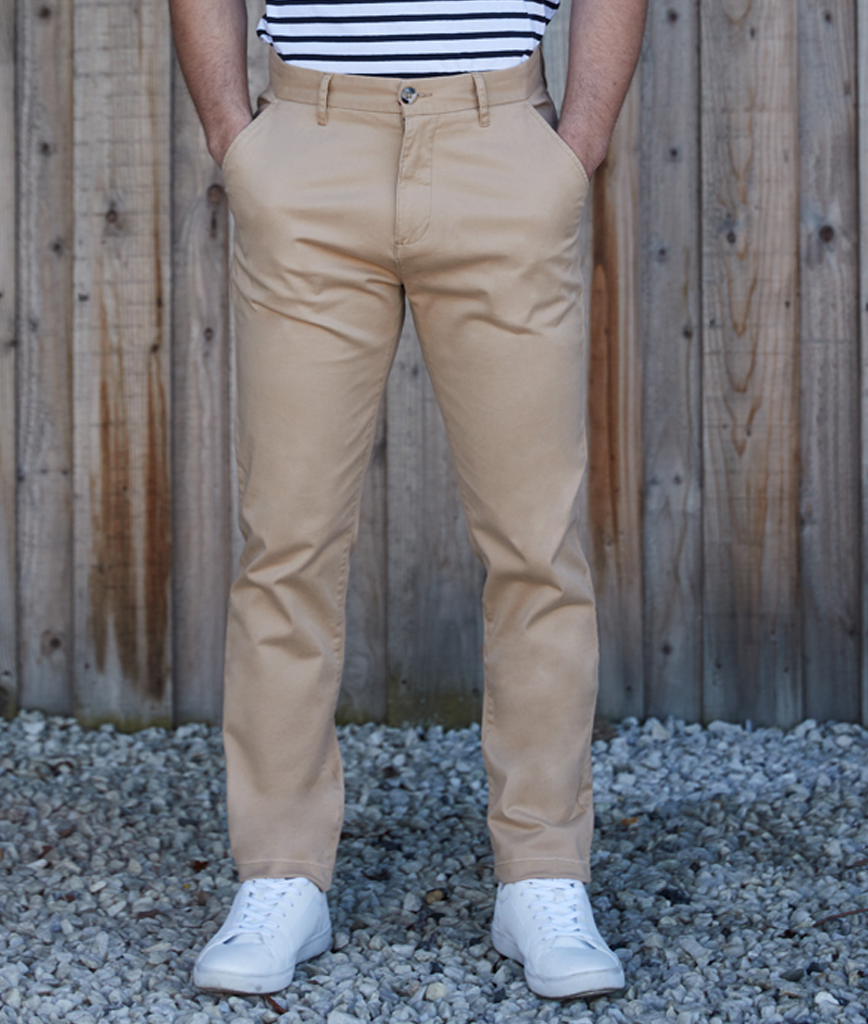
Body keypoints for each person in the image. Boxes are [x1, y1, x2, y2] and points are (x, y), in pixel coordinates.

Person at [169, 0, 648, 1002]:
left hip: (499, 143)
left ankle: (543, 872)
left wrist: (578, 145)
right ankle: (280, 871)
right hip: (307, 146)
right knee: (287, 539)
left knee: (535, 544)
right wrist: (232, 137)